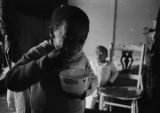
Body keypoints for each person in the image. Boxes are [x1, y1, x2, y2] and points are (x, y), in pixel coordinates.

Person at [5, 5, 98, 113]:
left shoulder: (81, 57)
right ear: (52, 32)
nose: (75, 47)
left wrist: (85, 90)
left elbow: (93, 79)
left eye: (82, 40)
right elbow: (11, 80)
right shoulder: (40, 53)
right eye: (69, 38)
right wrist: (45, 63)